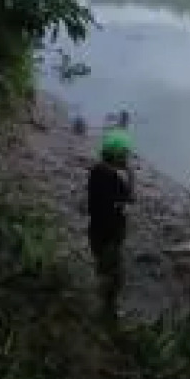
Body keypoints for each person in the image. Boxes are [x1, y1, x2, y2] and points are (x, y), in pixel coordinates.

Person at [86, 128, 134, 323]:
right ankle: (106, 313)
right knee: (113, 276)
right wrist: (130, 176)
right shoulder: (110, 177)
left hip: (98, 232)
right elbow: (128, 200)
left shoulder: (98, 171)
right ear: (118, 154)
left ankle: (107, 310)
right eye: (125, 153)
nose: (128, 157)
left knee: (106, 271)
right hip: (109, 235)